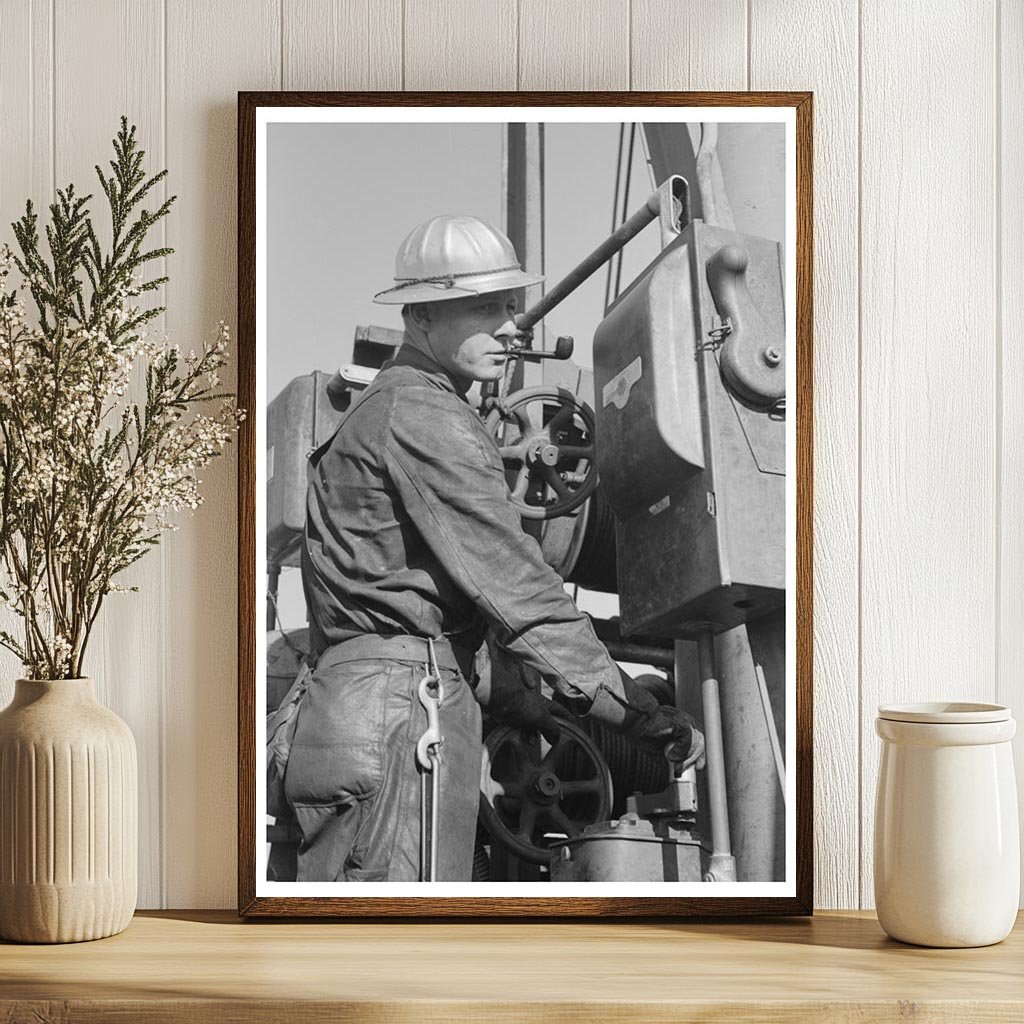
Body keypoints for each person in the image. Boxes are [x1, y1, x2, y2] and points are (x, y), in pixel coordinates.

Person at [286, 214, 704, 882]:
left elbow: (430, 618)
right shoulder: (425, 414)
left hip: (366, 714)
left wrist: (534, 703)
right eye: (485, 308)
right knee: (403, 940)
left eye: (510, 305)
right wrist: (639, 715)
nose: (511, 326)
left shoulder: (384, 409)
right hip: (403, 723)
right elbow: (520, 593)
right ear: (421, 316)